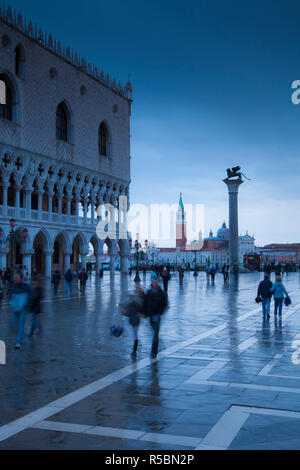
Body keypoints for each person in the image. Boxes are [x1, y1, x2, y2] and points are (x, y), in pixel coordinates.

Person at [144, 274, 167, 359]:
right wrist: (145, 313)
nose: (155, 284)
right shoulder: (149, 292)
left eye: (156, 282)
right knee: (154, 333)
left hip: (157, 315)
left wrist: (160, 312)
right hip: (151, 315)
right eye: (154, 282)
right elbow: (145, 304)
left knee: (155, 334)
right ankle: (155, 349)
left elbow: (164, 304)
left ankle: (153, 351)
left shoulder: (161, 293)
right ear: (152, 283)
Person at [120, 284, 146, 360]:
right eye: (137, 288)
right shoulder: (133, 296)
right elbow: (128, 306)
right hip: (131, 316)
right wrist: (123, 310)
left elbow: (142, 307)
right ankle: (135, 349)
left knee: (134, 334)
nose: (137, 289)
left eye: (139, 288)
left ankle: (134, 350)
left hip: (135, 318)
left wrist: (142, 314)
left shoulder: (140, 298)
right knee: (133, 333)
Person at [9, 271, 31, 349]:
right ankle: (21, 337)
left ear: (21, 278)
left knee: (21, 325)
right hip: (15, 308)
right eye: (15, 277)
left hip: (23, 309)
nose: (15, 279)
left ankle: (19, 342)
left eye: (17, 278)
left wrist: (27, 305)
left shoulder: (26, 286)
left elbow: (31, 295)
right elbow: (10, 295)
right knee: (14, 325)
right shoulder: (13, 286)